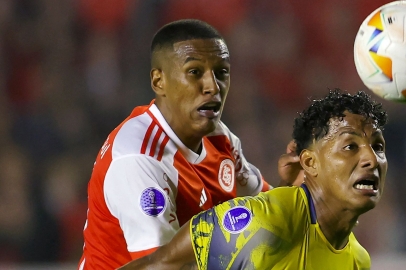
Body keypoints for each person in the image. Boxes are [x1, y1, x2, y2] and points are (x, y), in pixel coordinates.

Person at [78, 19, 302, 269]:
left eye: (221, 72)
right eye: (195, 72)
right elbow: (163, 265)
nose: (212, 86)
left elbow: (261, 212)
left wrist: (291, 187)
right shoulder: (140, 158)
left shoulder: (219, 137)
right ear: (158, 81)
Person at [119, 89, 389, 270]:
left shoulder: (357, 261)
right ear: (309, 162)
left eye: (378, 147)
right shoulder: (267, 217)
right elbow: (159, 264)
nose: (371, 159)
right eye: (350, 147)